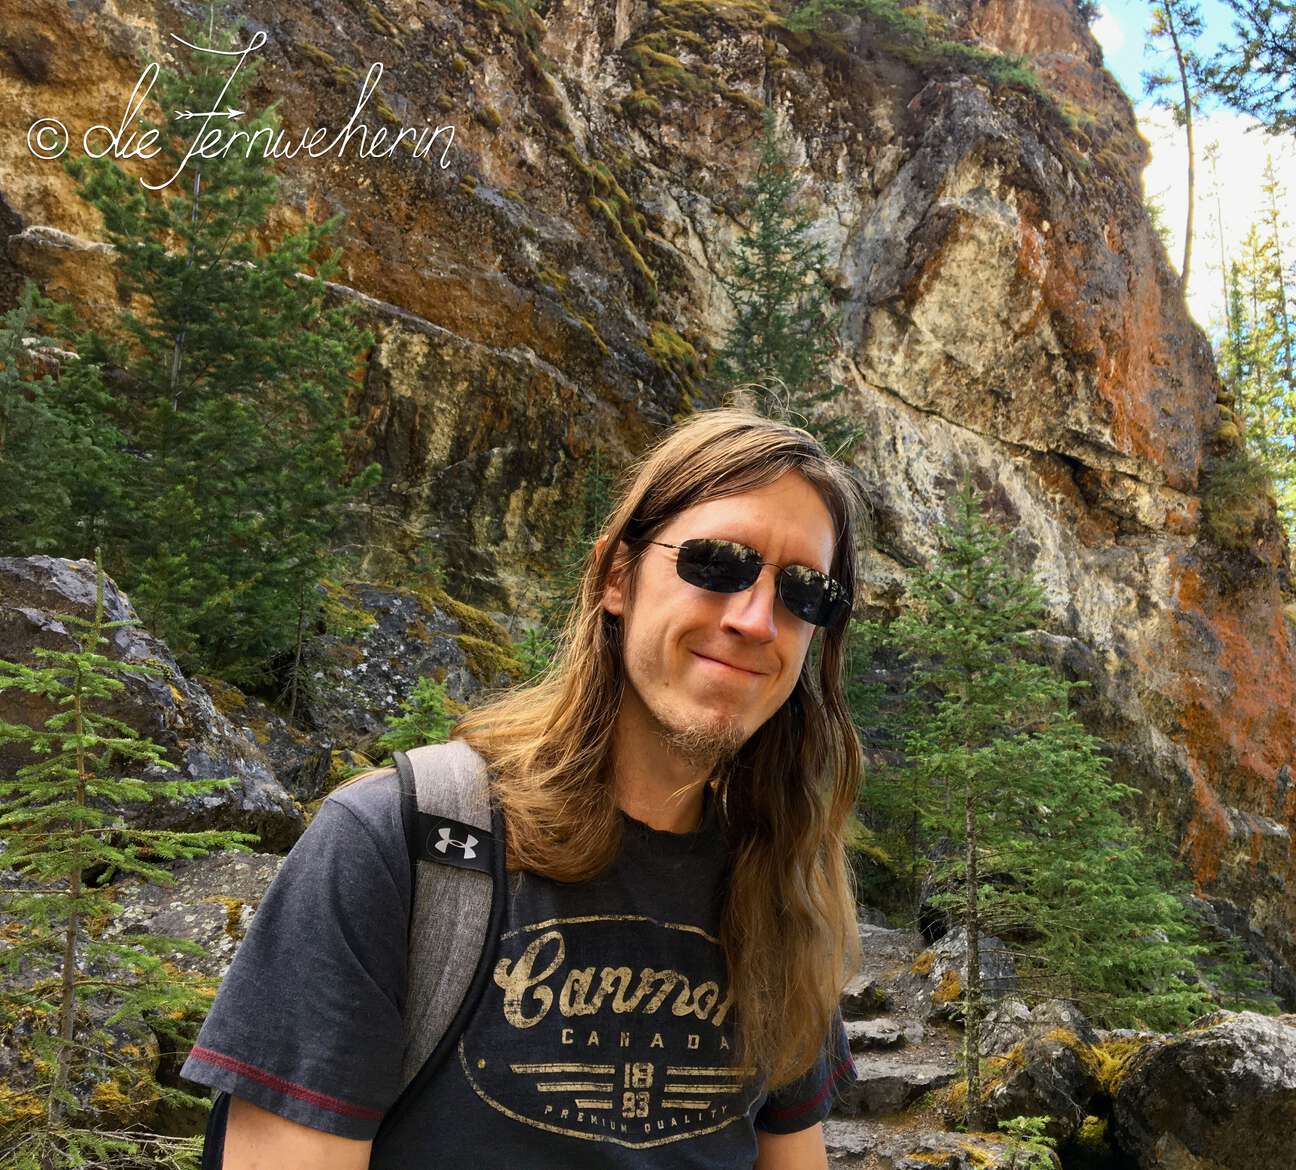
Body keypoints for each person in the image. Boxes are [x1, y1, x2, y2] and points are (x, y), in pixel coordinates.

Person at [180, 409, 866, 1169]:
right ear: (616, 578)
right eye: (717, 563)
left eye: (805, 593)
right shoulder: (395, 846)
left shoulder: (782, 887)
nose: (756, 619)